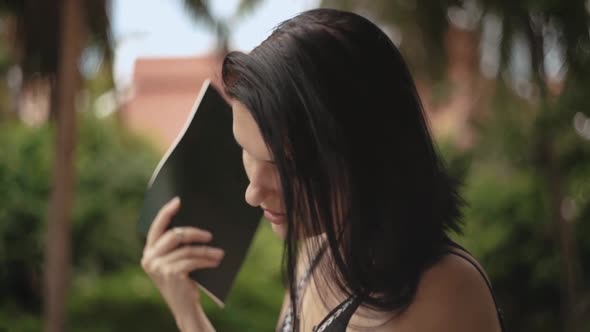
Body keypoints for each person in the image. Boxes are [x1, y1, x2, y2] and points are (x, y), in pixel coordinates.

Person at [141, 8, 506, 332]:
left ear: (362, 151)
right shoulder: (320, 246)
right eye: (244, 151)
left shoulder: (441, 293)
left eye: (281, 165)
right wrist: (186, 310)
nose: (252, 192)